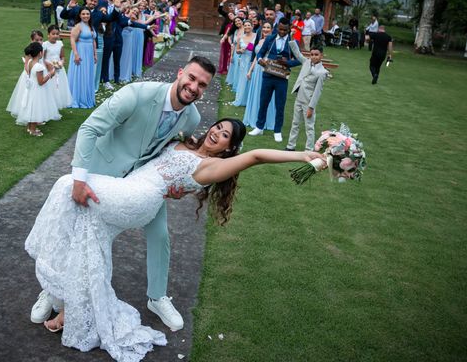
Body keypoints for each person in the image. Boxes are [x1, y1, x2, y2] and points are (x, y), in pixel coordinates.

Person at [25, 116, 325, 361]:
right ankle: (70, 307)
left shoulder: (214, 167)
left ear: (229, 148)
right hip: (127, 186)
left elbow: (257, 156)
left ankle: (50, 270)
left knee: (68, 184)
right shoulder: (185, 142)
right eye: (217, 127)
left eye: (223, 136)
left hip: (139, 197)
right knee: (88, 239)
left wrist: (303, 155)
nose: (215, 133)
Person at [29, 56, 217, 332]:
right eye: (191, 78)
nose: (194, 87)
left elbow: (173, 152)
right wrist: (80, 179)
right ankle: (51, 290)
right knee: (73, 231)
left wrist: (175, 188)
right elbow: (90, 128)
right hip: (99, 172)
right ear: (180, 73)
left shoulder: (192, 118)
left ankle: (157, 297)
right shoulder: (137, 94)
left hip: (140, 183)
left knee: (160, 234)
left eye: (202, 85)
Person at [248, 17, 302, 142]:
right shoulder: (270, 39)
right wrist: (260, 60)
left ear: (289, 29)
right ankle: (259, 127)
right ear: (277, 28)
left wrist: (287, 62)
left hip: (282, 78)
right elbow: (260, 53)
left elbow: (299, 60)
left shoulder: (293, 41)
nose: (282, 32)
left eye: (285, 30)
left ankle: (277, 131)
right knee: (263, 102)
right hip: (268, 75)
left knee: (280, 104)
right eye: (280, 29)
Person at [285, 44, 327, 151]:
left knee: (309, 127)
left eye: (316, 55)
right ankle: (290, 146)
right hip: (298, 98)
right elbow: (297, 53)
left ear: (321, 55)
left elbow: (317, 92)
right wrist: (292, 38)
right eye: (312, 54)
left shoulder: (322, 72)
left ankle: (309, 149)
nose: (313, 57)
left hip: (308, 102)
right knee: (295, 123)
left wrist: (311, 107)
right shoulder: (306, 62)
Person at [15, 42, 60, 135]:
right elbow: (41, 82)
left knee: (31, 107)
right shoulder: (39, 66)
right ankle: (33, 130)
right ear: (40, 53)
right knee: (35, 108)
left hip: (31, 88)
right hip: (37, 90)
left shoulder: (30, 62)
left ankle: (29, 127)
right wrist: (50, 74)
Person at [243, 21, 276, 129]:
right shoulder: (260, 40)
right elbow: (257, 56)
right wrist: (250, 71)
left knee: (265, 95)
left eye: (268, 27)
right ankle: (254, 117)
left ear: (271, 30)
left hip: (267, 70)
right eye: (264, 27)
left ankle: (265, 120)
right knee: (256, 93)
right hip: (257, 70)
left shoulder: (274, 41)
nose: (266, 29)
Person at [67, 9, 97, 108]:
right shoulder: (78, 26)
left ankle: (86, 96)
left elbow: (93, 41)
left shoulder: (90, 26)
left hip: (89, 54)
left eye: (87, 14)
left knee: (87, 74)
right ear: (80, 15)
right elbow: (72, 39)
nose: (85, 16)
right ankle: (78, 98)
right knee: (80, 74)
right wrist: (76, 54)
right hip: (81, 52)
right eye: (83, 14)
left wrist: (95, 54)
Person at [42, 25, 72, 109]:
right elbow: (42, 59)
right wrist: (49, 64)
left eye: (57, 34)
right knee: (50, 87)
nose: (55, 36)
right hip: (49, 69)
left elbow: (62, 56)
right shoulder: (45, 44)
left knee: (58, 87)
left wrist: (61, 62)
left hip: (59, 69)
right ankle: (48, 105)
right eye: (53, 34)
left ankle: (56, 104)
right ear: (48, 34)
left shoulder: (60, 43)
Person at [233, 20, 255, 106]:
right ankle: (241, 99)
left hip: (252, 61)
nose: (247, 27)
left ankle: (249, 100)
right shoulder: (240, 37)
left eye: (248, 25)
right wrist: (240, 51)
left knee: (251, 79)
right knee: (242, 79)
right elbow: (237, 50)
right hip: (243, 61)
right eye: (245, 25)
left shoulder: (256, 36)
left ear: (252, 26)